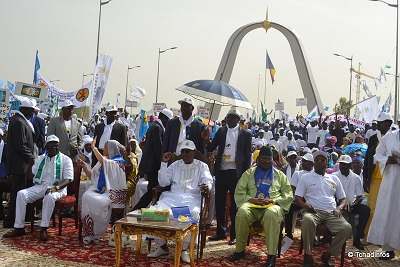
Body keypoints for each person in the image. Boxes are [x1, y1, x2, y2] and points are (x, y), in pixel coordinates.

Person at [147, 140, 213, 263]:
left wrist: (206, 186)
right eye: (183, 151)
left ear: (193, 152)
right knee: (153, 213)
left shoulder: (202, 166)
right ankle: (162, 246)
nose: (185, 154)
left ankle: (183, 249)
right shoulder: (175, 165)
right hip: (172, 197)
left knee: (191, 214)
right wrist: (163, 163)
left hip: (192, 198)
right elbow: (163, 183)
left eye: (188, 151)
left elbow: (208, 181)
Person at [231, 146, 293, 267]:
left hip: (271, 206)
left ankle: (271, 256)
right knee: (242, 212)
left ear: (272, 160)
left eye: (268, 159)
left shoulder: (280, 175)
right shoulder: (249, 173)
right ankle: (240, 250)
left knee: (272, 214)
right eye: (263, 159)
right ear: (258, 159)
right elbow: (239, 191)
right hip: (252, 204)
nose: (266, 161)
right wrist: (250, 199)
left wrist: (274, 200)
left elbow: (288, 195)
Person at [3, 135, 73, 241]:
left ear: (58, 146)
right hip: (41, 186)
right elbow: (32, 174)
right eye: (49, 147)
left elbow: (68, 179)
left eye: (54, 146)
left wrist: (55, 188)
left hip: (58, 188)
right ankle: (19, 228)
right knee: (21, 194)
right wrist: (29, 164)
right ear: (46, 147)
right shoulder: (40, 159)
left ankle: (43, 228)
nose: (52, 149)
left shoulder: (66, 159)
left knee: (49, 196)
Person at [295, 151, 352, 267]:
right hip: (313, 211)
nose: (320, 162)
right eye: (317, 160)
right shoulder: (306, 177)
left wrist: (339, 208)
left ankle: (329, 254)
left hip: (331, 212)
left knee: (347, 228)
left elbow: (343, 199)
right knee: (307, 220)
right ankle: (308, 255)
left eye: (323, 160)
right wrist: (306, 206)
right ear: (314, 163)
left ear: (327, 163)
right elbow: (297, 198)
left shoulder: (334, 178)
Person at [208, 107, 252, 245]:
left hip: (236, 173)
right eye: (228, 117)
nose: (230, 119)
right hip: (221, 171)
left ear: (238, 120)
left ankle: (234, 234)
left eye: (233, 117)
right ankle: (221, 232)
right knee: (220, 204)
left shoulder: (245, 134)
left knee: (235, 205)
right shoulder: (221, 131)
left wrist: (245, 174)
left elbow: (247, 155)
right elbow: (211, 147)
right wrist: (205, 139)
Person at [81, 139, 128, 244]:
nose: (104, 149)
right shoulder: (103, 161)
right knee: (86, 196)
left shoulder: (118, 162)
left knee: (96, 201)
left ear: (111, 149)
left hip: (111, 193)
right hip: (100, 190)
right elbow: (92, 176)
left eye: (106, 147)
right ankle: (90, 232)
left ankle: (98, 231)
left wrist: (94, 148)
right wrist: (84, 166)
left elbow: (104, 162)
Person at [367, 126, 400, 260]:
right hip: (391, 181)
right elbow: (377, 155)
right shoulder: (389, 137)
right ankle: (388, 249)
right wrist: (388, 159)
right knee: (389, 211)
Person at [4, 97, 36, 228]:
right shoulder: (18, 122)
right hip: (19, 166)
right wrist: (32, 158)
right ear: (25, 109)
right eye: (32, 111)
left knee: (19, 193)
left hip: (21, 165)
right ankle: (11, 221)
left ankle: (17, 218)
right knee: (17, 194)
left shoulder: (21, 120)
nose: (33, 114)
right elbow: (20, 145)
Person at [133, 108, 173, 210]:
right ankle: (135, 210)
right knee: (152, 191)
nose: (168, 123)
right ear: (163, 118)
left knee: (153, 191)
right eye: (168, 120)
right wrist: (163, 162)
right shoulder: (157, 128)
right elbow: (158, 148)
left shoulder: (155, 126)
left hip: (150, 165)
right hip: (152, 166)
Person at [333, 155, 370, 250]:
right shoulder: (333, 176)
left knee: (365, 210)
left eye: (345, 165)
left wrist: (354, 203)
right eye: (341, 164)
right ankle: (331, 238)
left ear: (350, 166)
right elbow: (331, 194)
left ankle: (357, 237)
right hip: (338, 204)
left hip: (352, 205)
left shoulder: (356, 177)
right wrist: (341, 204)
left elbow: (359, 196)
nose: (343, 166)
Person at [285, 153, 314, 238]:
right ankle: (289, 232)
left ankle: (311, 235)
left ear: (312, 164)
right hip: (298, 199)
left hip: (311, 200)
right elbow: (292, 188)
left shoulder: (315, 174)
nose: (303, 163)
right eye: (303, 161)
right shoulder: (298, 173)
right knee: (289, 207)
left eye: (306, 162)